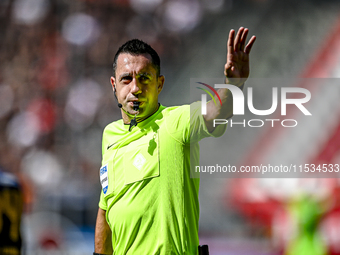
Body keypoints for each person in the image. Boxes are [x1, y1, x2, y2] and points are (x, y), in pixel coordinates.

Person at [94, 27, 256, 255]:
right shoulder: (109, 136)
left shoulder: (175, 122)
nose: (135, 88)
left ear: (159, 84)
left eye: (144, 78)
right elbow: (105, 209)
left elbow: (216, 112)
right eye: (126, 79)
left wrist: (234, 84)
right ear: (114, 85)